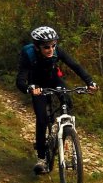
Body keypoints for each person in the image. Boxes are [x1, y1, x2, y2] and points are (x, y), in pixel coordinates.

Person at [16, 26, 98, 174]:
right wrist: (30, 88)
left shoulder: (57, 51)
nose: (51, 49)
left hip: (54, 80)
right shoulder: (28, 54)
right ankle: (41, 158)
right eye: (46, 47)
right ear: (37, 46)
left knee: (67, 99)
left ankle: (66, 131)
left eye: (53, 45)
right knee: (41, 120)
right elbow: (20, 80)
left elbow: (75, 65)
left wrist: (89, 82)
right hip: (38, 86)